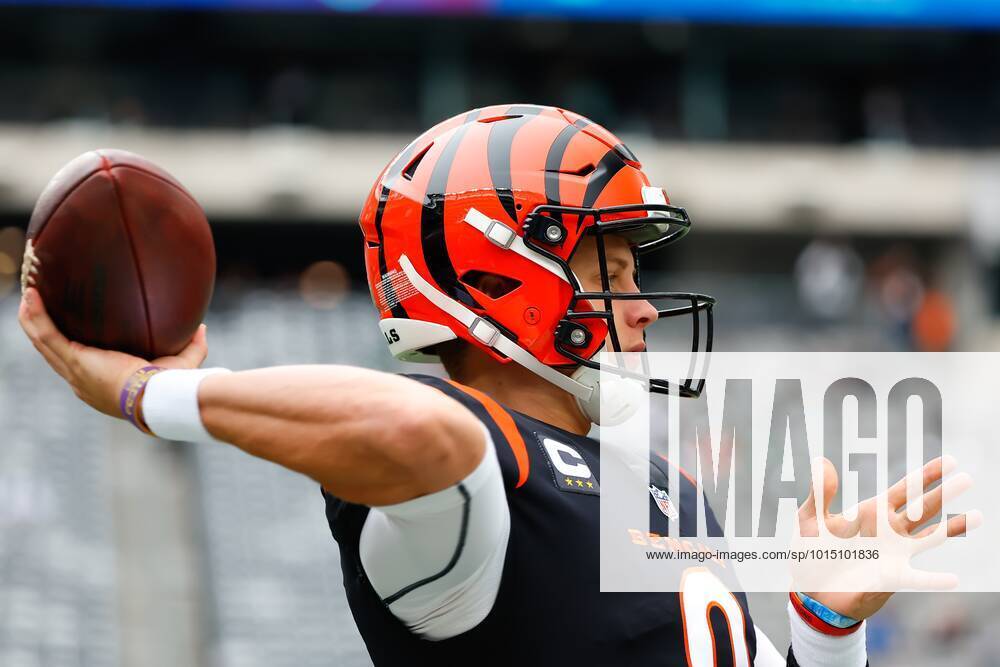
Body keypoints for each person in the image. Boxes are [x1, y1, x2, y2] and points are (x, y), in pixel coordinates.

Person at [19, 105, 968, 665]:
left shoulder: (663, 491)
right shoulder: (479, 481)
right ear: (501, 273)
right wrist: (151, 395)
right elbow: (419, 436)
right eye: (617, 273)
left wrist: (824, 622)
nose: (642, 308)